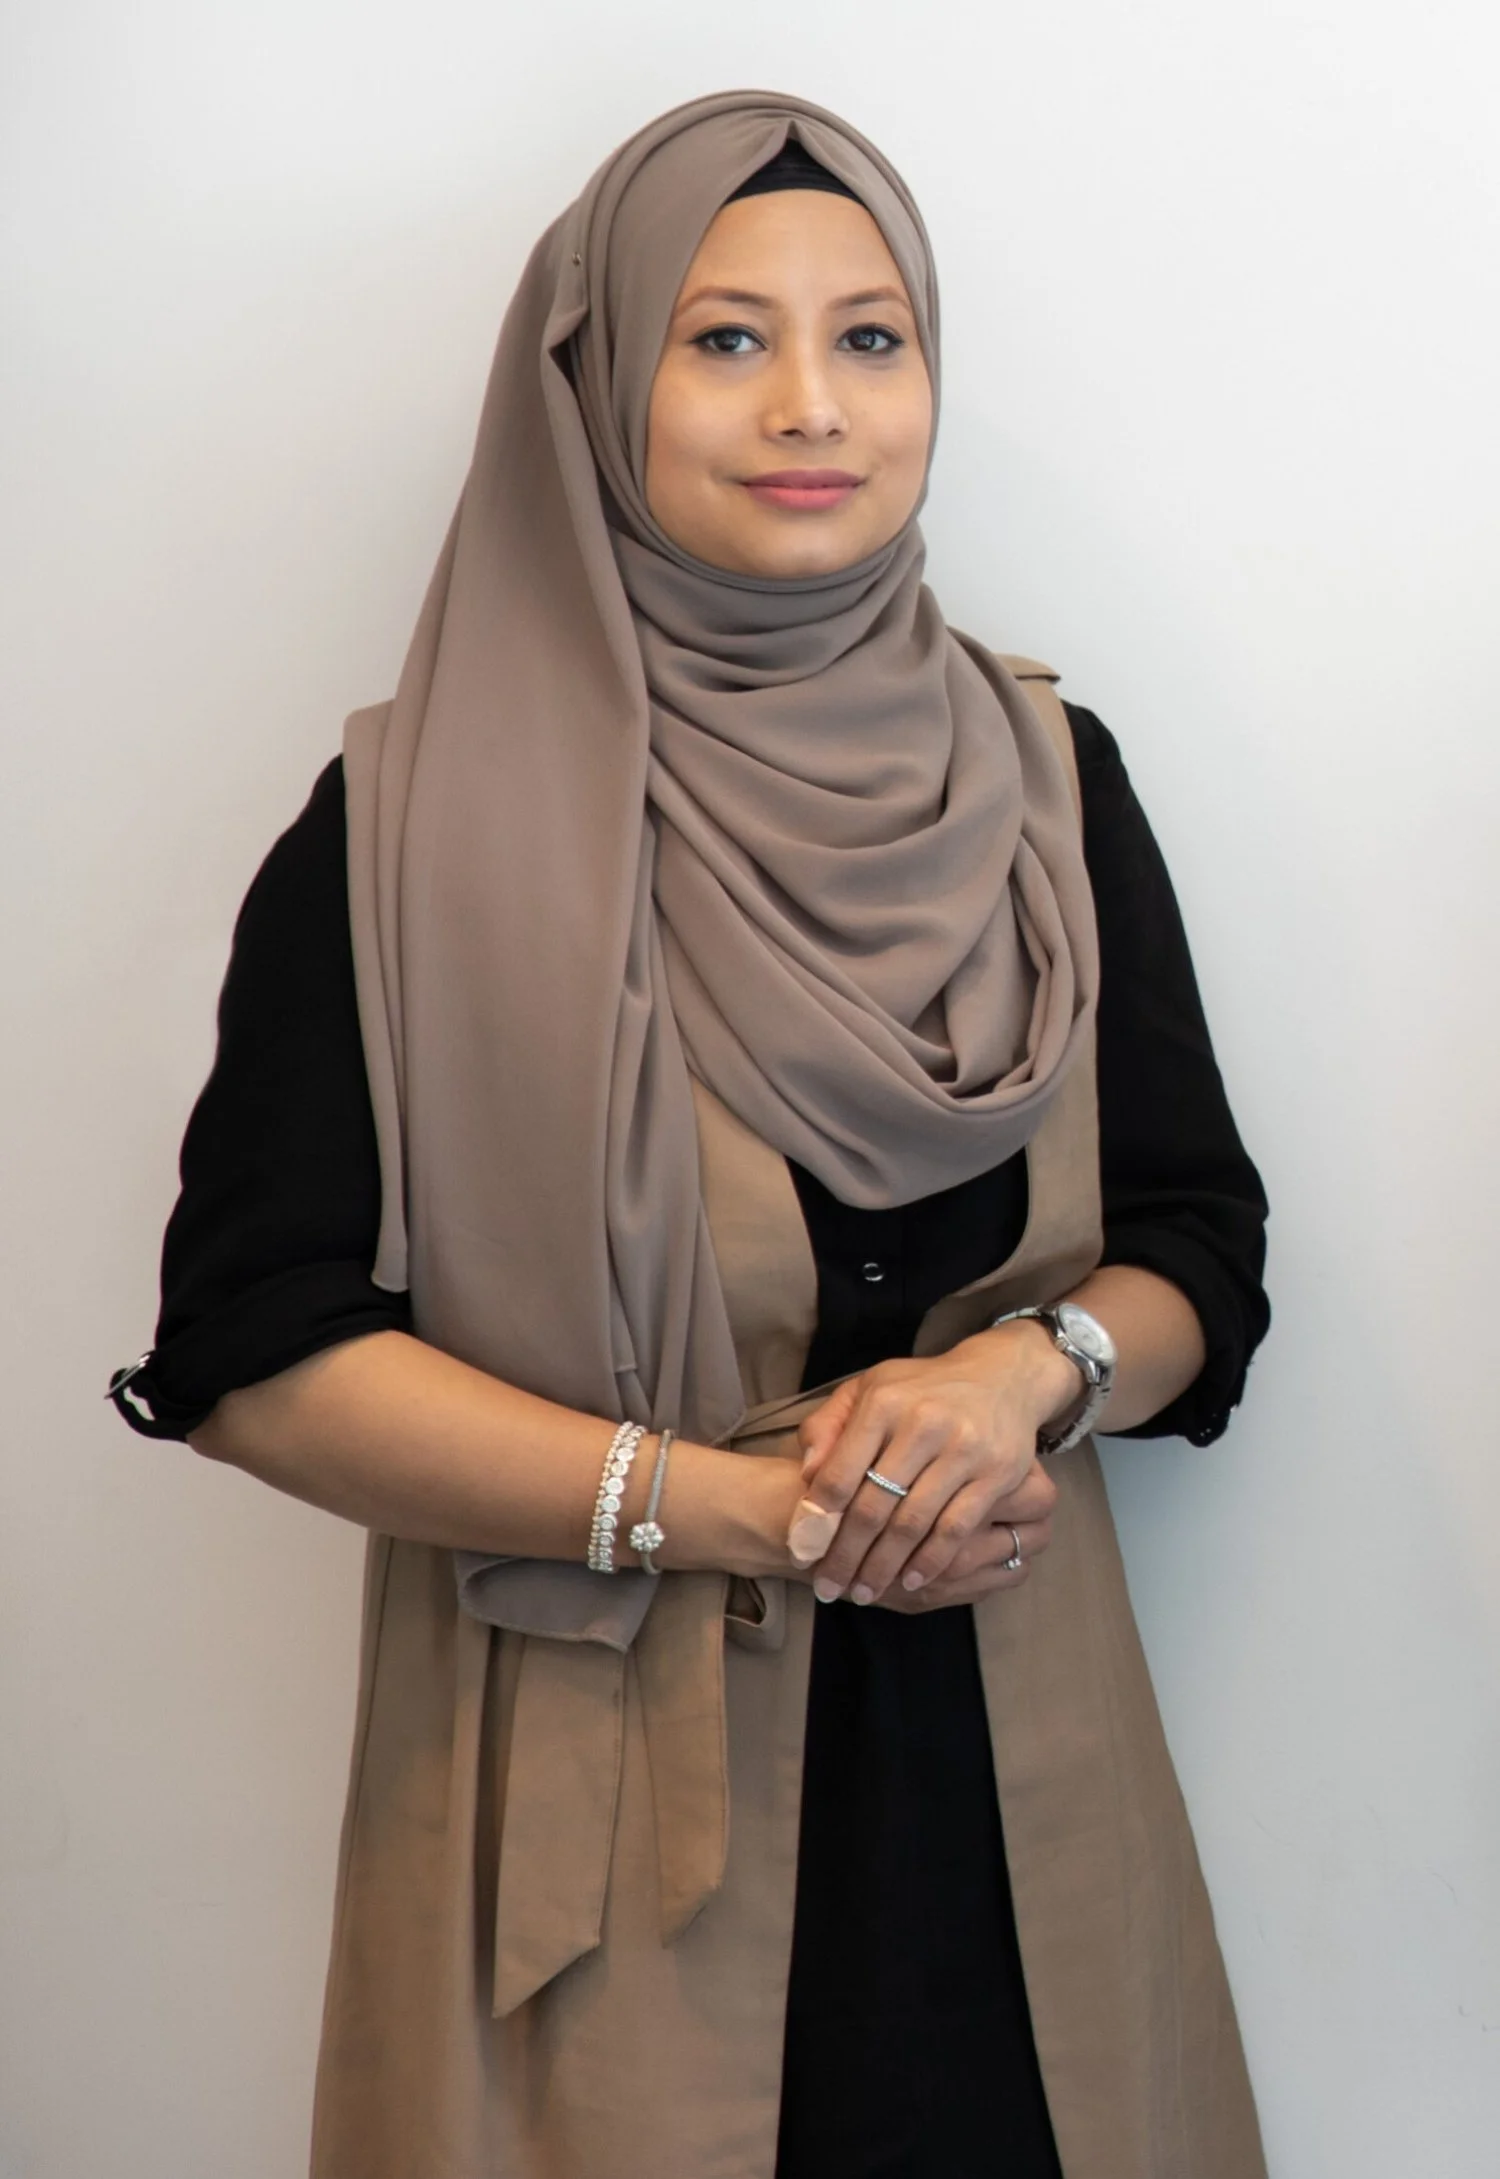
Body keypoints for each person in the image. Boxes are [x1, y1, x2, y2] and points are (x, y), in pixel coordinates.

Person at [108, 89, 1271, 2179]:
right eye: (725, 337)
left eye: (871, 337)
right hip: (595, 1826)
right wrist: (735, 1511)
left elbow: (1196, 1239)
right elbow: (257, 1353)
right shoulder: (408, 828)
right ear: (594, 382)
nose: (811, 403)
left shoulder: (1045, 780)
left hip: (1022, 1792)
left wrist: (1027, 1375)